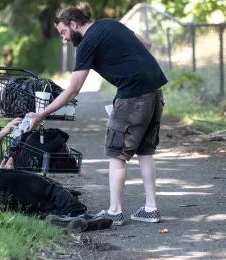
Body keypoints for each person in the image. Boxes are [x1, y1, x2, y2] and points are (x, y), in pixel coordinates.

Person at [26, 2, 167, 225]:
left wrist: (41, 114)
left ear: (74, 24)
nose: (64, 38)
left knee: (116, 154)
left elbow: (73, 89)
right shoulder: (110, 23)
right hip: (155, 90)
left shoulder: (87, 43)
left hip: (132, 95)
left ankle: (114, 211)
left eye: (64, 32)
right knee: (145, 151)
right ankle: (151, 209)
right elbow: (146, 45)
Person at [0, 118, 112, 232]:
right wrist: (5, 132)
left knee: (34, 203)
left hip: (0, 202)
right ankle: (78, 213)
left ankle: (59, 217)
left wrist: (1, 170)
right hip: (3, 182)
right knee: (48, 186)